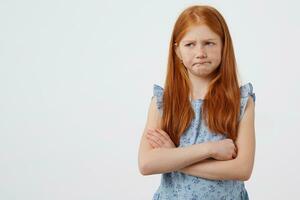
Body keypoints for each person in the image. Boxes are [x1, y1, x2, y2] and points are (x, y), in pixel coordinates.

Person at [138, 4, 256, 200]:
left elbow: (242, 169)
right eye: (190, 44)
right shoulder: (163, 102)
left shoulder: (241, 101)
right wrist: (209, 149)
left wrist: (173, 157)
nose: (200, 52)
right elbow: (147, 163)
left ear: (223, 46)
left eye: (209, 43)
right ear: (177, 51)